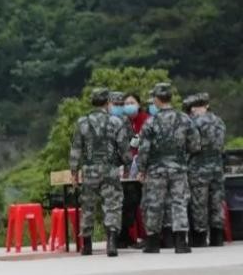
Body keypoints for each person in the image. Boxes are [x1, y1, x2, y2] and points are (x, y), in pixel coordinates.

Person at [137, 82, 201, 254]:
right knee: (179, 202)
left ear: (157, 100)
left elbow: (143, 149)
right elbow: (195, 146)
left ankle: (153, 242)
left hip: (156, 169)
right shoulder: (185, 119)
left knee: (154, 203)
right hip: (179, 167)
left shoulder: (151, 122)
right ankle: (181, 241)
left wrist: (142, 169)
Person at [69, 87, 131, 256]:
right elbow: (124, 148)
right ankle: (111, 242)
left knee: (87, 205)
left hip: (89, 170)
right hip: (110, 169)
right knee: (112, 205)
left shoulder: (82, 122)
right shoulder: (116, 122)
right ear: (107, 102)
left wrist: (74, 171)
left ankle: (86, 244)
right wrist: (126, 166)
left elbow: (76, 149)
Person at [184, 92, 228, 247]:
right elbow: (221, 145)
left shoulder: (194, 123)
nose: (193, 110)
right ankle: (217, 238)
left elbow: (193, 147)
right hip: (217, 167)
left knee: (199, 203)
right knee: (217, 202)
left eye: (195, 107)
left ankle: (200, 238)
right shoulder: (219, 121)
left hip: (199, 169)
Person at [118, 92, 149, 248]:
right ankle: (128, 236)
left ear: (138, 103)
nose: (128, 106)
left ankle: (146, 236)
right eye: (126, 103)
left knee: (142, 202)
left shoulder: (145, 120)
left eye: (132, 102)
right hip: (128, 168)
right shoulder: (124, 122)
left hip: (143, 167)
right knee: (130, 203)